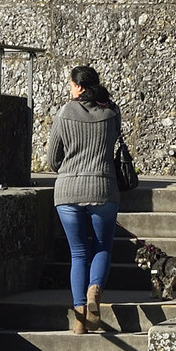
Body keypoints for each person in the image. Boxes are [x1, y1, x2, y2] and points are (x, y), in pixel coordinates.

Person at [46, 64, 123, 334]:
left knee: (78, 253)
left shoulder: (64, 113)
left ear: (78, 87)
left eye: (70, 85)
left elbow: (52, 159)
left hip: (68, 190)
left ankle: (79, 317)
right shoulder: (112, 113)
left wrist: (70, 169)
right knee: (102, 246)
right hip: (103, 187)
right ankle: (95, 290)